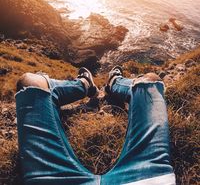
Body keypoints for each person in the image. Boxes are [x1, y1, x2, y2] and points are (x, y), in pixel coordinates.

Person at [15, 66, 176, 185]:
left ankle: (84, 84)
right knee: (150, 82)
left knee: (31, 82)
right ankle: (114, 83)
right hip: (149, 177)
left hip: (52, 180)